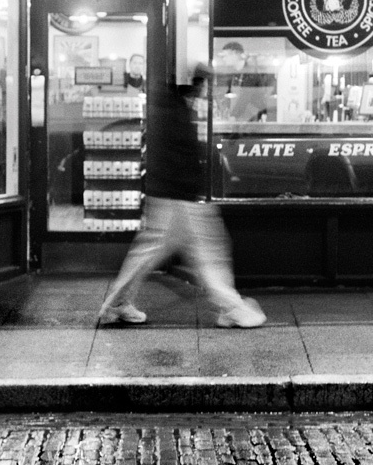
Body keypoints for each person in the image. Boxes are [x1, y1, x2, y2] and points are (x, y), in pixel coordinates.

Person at [98, 63, 266, 328]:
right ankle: (232, 307)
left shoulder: (172, 105)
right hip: (179, 195)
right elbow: (180, 154)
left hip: (170, 193)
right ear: (195, 84)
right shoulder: (174, 109)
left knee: (152, 251)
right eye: (207, 84)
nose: (210, 92)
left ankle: (116, 304)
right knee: (209, 251)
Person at [214, 41, 273, 122]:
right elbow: (229, 96)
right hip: (238, 120)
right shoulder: (233, 74)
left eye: (225, 56)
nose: (223, 59)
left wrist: (234, 116)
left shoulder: (250, 73)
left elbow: (245, 97)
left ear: (235, 54)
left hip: (251, 121)